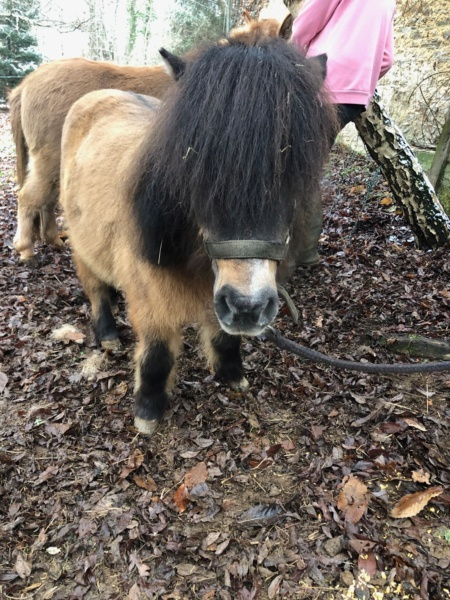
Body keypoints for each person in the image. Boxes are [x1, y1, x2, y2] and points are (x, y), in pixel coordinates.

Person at [289, 0, 396, 266]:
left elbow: (307, 21)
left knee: (292, 168)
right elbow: (386, 60)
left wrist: (288, 63)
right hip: (354, 96)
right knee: (309, 166)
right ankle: (305, 251)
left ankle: (291, 256)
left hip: (319, 79)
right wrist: (359, 80)